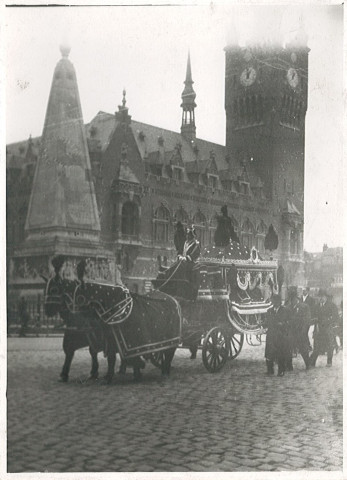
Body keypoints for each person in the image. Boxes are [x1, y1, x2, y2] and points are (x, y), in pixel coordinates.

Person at [310, 289, 339, 368]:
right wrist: (314, 320)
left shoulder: (331, 305)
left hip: (328, 328)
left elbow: (336, 317)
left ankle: (329, 361)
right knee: (317, 346)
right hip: (318, 328)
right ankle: (312, 362)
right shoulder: (316, 306)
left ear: (326, 297)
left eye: (322, 297)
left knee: (330, 345)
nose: (321, 298)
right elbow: (312, 316)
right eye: (319, 297)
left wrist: (329, 320)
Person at [264, 294, 291, 377]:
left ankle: (281, 370)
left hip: (280, 335)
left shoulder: (285, 310)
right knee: (269, 353)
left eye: (275, 301)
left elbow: (289, 322)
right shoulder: (269, 311)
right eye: (273, 301)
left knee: (280, 353)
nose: (273, 302)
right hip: (271, 334)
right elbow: (267, 321)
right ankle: (270, 370)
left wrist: (282, 324)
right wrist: (263, 324)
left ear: (279, 302)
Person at [286, 291, 311, 370]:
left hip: (301, 331)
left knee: (303, 349)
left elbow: (307, 320)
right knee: (288, 348)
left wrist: (304, 331)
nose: (292, 301)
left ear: (297, 299)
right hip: (291, 332)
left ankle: (308, 364)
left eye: (294, 299)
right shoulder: (288, 307)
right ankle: (289, 366)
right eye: (291, 299)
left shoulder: (304, 307)